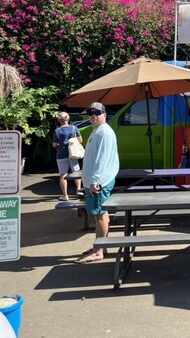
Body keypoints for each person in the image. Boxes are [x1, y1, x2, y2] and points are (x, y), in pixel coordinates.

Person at [75, 102, 119, 264]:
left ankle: (99, 251)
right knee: (101, 214)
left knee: (99, 215)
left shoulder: (104, 132)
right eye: (90, 113)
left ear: (104, 115)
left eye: (97, 113)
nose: (93, 116)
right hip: (95, 182)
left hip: (99, 183)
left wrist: (96, 181)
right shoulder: (98, 131)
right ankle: (102, 246)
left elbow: (102, 159)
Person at [52, 111, 83, 201]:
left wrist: (59, 145)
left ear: (59, 120)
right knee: (76, 173)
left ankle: (65, 195)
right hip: (73, 154)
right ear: (68, 119)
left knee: (63, 175)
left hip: (61, 154)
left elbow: (54, 144)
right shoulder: (74, 128)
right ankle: (78, 192)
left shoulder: (57, 131)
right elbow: (80, 140)